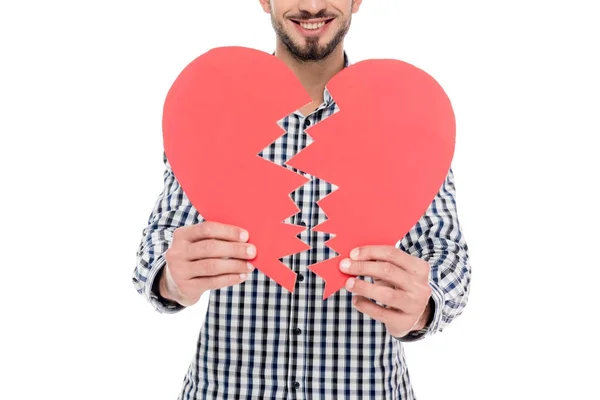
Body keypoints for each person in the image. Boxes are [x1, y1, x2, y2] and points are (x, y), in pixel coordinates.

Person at [132, 1, 472, 398]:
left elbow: (445, 251)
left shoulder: (404, 117)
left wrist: (425, 304)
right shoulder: (212, 108)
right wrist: (171, 280)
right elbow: (159, 240)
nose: (311, 5)